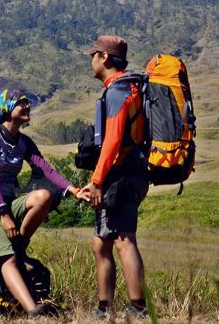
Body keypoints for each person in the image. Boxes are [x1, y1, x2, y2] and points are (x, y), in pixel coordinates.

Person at [0, 88, 84, 317]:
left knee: (43, 197)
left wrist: (72, 190)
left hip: (7, 202)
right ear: (7, 108)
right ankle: (34, 312)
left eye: (28, 102)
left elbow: (45, 168)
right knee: (6, 257)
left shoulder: (24, 142)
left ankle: (19, 246)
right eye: (21, 103)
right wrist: (3, 214)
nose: (28, 106)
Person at [78, 36, 150, 320]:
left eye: (93, 55)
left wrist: (97, 180)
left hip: (120, 175)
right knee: (101, 242)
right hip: (127, 174)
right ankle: (105, 306)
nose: (91, 60)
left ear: (104, 58)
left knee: (123, 239)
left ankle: (138, 307)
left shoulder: (120, 91)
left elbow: (113, 140)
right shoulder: (127, 87)